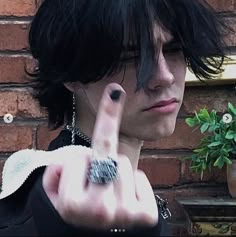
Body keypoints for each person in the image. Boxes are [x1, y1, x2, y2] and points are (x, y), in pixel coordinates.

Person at [0, 0, 229, 236]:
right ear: (72, 73)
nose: (164, 76)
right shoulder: (50, 202)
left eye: (173, 49)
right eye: (129, 56)